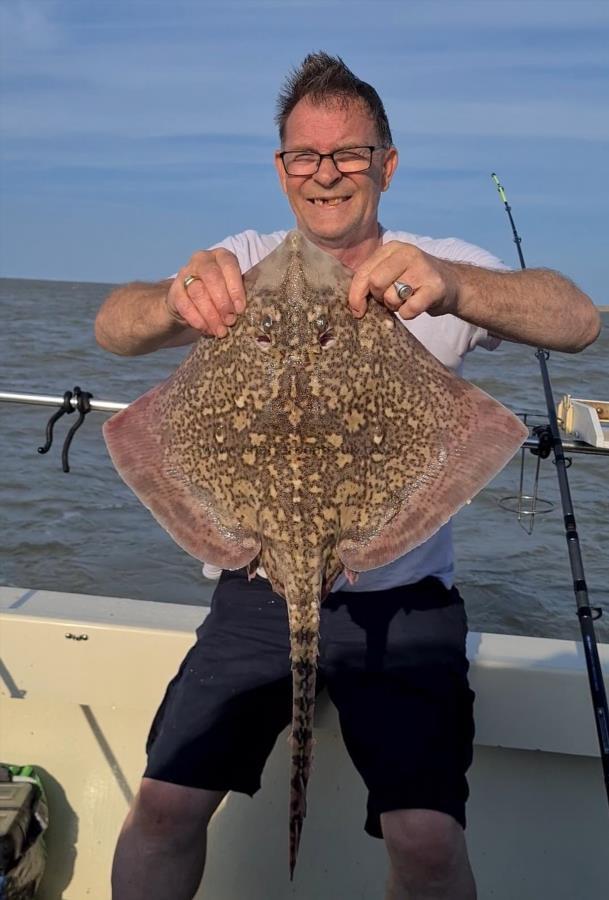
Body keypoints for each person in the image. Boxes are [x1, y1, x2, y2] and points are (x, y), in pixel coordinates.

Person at [96, 53, 600, 900]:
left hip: (403, 601)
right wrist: (175, 298)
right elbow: (115, 327)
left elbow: (577, 319)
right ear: (282, 168)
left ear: (385, 164)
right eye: (305, 156)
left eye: (348, 154)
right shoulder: (245, 258)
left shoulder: (433, 260)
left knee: (426, 840)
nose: (325, 173)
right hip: (255, 589)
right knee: (161, 805)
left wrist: (455, 289)